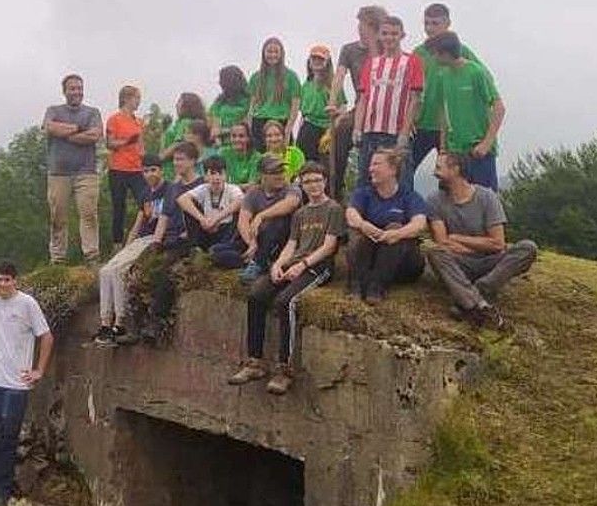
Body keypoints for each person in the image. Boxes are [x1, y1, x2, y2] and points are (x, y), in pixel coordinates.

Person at [229, 162, 345, 394]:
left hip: (317, 267)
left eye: (317, 180)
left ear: (324, 182)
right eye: (308, 181)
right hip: (293, 264)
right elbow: (291, 244)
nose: (313, 185)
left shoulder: (333, 209)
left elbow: (329, 246)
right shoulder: (300, 213)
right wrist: (279, 264)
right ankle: (255, 362)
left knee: (286, 302)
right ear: (301, 184)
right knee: (257, 294)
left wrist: (303, 265)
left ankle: (286, 368)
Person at [0, 260, 53, 506]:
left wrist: (39, 370)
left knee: (7, 439)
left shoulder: (27, 303)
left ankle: (3, 493)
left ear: (15, 281)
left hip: (15, 385)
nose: (2, 284)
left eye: (7, 279)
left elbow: (46, 336)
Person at [425, 153, 536, 329]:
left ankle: (479, 291)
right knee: (435, 253)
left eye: (439, 168)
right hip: (459, 263)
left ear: (456, 170)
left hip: (489, 261)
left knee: (527, 248)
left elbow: (498, 243)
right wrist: (479, 247)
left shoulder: (487, 197)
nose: (434, 172)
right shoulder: (434, 200)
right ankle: (476, 303)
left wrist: (458, 238)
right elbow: (443, 243)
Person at [95, 155, 169, 346]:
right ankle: (105, 323)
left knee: (120, 272)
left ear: (161, 170)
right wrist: (126, 246)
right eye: (145, 171)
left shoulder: (168, 190)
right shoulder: (145, 194)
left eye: (153, 170)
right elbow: (138, 224)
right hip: (140, 239)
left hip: (154, 238)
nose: (150, 174)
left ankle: (120, 322)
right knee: (105, 271)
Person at [424, 31, 506, 190]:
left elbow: (499, 107)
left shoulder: (475, 72)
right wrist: (442, 149)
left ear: (446, 53)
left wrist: (486, 143)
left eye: (436, 54)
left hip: (477, 149)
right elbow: (443, 113)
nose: (434, 59)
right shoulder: (444, 76)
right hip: (455, 151)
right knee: (451, 200)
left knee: (484, 200)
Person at [141, 142, 205, 339]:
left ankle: (157, 321)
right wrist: (156, 242)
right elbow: (164, 216)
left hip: (190, 239)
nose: (176, 163)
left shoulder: (202, 185)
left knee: (166, 270)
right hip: (170, 238)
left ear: (193, 161)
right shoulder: (173, 188)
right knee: (144, 268)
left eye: (181, 159)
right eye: (175, 159)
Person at [346, 149, 428, 303]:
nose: (371, 169)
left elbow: (419, 224)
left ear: (393, 170)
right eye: (370, 164)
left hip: (403, 264)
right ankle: (356, 286)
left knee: (394, 228)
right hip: (372, 257)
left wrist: (396, 234)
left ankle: (377, 287)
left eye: (376, 164)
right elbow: (351, 214)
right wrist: (364, 225)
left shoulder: (409, 196)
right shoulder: (364, 193)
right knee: (363, 238)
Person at [412, 4, 482, 182]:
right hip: (421, 123)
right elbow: (408, 89)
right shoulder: (419, 53)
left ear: (447, 23)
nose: (429, 28)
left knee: (453, 176)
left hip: (451, 128)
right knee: (404, 169)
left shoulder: (461, 51)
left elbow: (481, 83)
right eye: (426, 23)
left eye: (435, 23)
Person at [354, 16, 424, 189]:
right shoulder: (371, 63)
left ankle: (406, 216)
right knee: (366, 180)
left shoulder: (412, 62)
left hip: (396, 133)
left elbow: (415, 99)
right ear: (379, 36)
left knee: (402, 181)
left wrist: (405, 132)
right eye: (385, 33)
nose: (389, 38)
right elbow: (363, 99)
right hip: (371, 132)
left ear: (402, 35)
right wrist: (357, 127)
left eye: (394, 34)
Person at [210, 155, 302, 284]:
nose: (280, 175)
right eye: (274, 172)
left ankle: (258, 262)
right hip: (257, 238)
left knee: (277, 220)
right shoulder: (254, 192)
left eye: (282, 171)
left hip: (279, 240)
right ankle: (254, 260)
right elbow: (243, 221)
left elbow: (291, 203)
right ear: (263, 175)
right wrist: (251, 243)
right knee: (215, 251)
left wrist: (261, 216)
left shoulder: (292, 189)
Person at [43, 74, 103, 264]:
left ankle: (92, 255)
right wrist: (79, 128)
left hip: (87, 172)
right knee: (57, 216)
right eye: (73, 88)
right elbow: (49, 127)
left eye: (79, 88)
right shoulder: (53, 110)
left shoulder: (93, 112)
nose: (77, 92)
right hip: (58, 173)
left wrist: (66, 134)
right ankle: (58, 258)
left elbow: (95, 135)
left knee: (89, 214)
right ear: (65, 91)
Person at [329, 5, 387, 200]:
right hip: (360, 106)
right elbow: (339, 76)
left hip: (382, 108)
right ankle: (335, 190)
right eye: (360, 23)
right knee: (341, 131)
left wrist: (373, 43)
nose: (360, 28)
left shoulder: (385, 50)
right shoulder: (349, 49)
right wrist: (333, 101)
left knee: (374, 150)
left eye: (365, 24)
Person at [104, 85, 149, 249]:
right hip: (118, 169)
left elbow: (141, 145)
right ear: (126, 99)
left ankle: (145, 236)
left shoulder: (138, 121)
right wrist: (126, 142)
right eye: (136, 98)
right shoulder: (114, 119)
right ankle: (117, 244)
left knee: (146, 202)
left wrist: (147, 162)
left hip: (137, 169)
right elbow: (109, 143)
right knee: (119, 206)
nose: (138, 102)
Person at [176, 155, 244, 253]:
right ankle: (196, 246)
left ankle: (224, 246)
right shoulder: (203, 188)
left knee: (238, 210)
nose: (216, 178)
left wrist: (216, 219)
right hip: (206, 228)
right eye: (212, 174)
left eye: (220, 174)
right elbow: (182, 199)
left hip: (225, 229)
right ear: (206, 176)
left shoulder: (232, 189)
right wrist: (202, 219)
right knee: (190, 207)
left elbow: (240, 201)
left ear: (225, 175)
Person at [246, 37, 302, 152]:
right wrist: (249, 129)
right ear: (263, 53)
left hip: (281, 122)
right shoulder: (256, 77)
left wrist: (287, 130)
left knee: (283, 159)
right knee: (260, 160)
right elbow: (251, 106)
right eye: (269, 52)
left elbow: (295, 107)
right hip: (259, 122)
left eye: (276, 52)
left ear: (281, 54)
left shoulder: (291, 77)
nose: (272, 55)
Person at [298, 44, 344, 165]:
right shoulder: (306, 85)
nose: (317, 62)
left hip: (327, 128)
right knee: (305, 162)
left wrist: (332, 130)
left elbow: (343, 108)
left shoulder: (333, 85)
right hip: (308, 127)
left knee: (326, 164)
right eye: (314, 59)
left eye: (321, 59)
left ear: (327, 62)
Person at [160, 92, 208, 181]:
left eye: (179, 102)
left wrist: (160, 158)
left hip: (172, 166)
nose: (176, 105)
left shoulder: (185, 122)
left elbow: (178, 144)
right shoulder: (178, 122)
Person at [208, 65, 251, 139]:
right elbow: (214, 128)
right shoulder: (218, 102)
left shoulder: (248, 100)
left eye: (223, 80)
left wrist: (225, 131)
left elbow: (248, 124)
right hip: (221, 143)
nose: (220, 83)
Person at [217, 122, 260, 188]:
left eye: (241, 136)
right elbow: (219, 181)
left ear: (248, 138)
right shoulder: (222, 153)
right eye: (234, 136)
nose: (237, 139)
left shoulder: (256, 157)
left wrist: (231, 187)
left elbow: (252, 184)